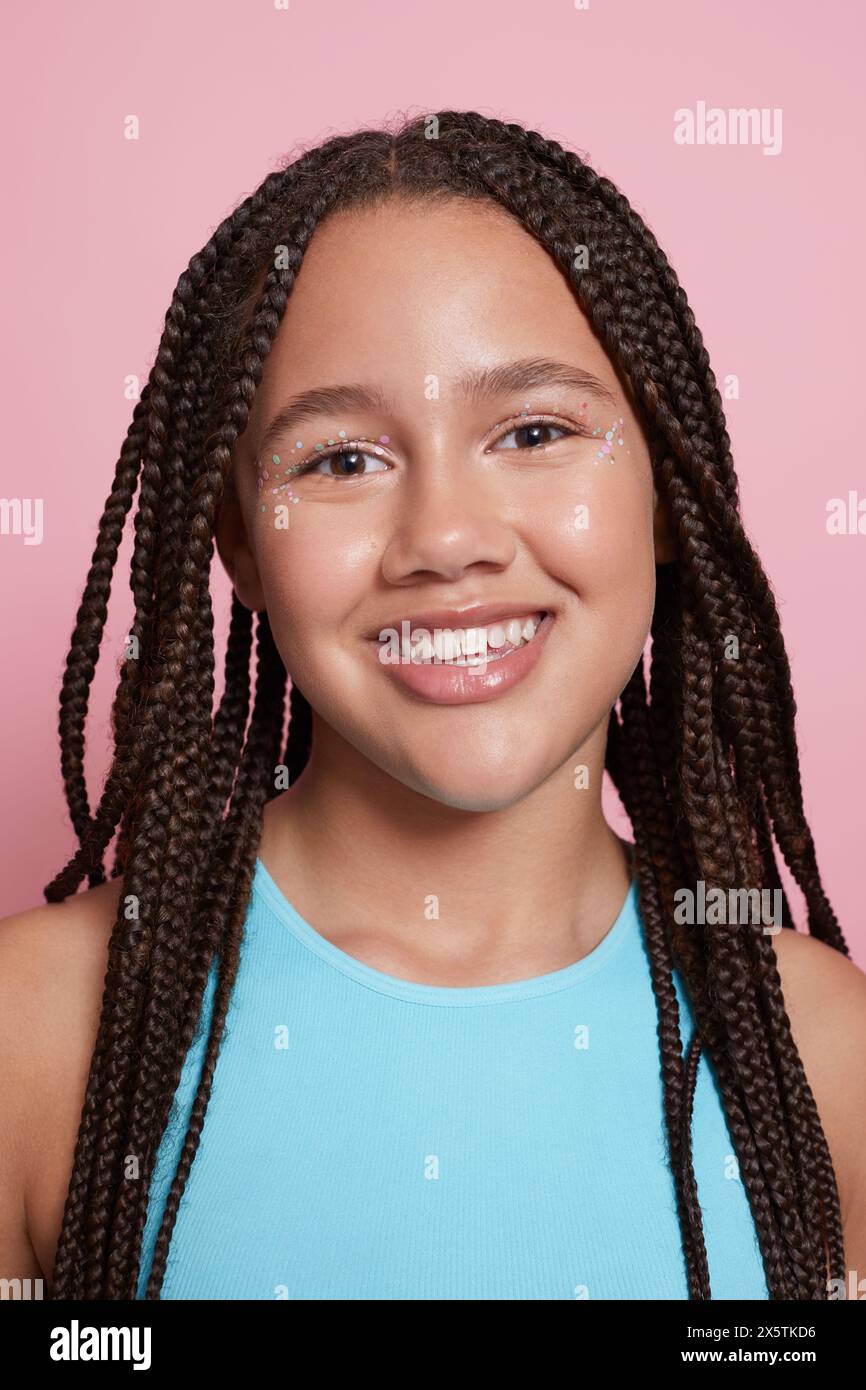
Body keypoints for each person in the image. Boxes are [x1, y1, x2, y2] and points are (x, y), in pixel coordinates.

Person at [1, 110, 864, 1302]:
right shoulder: (36, 1038)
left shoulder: (825, 1057)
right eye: (340, 461)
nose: (447, 541)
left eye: (534, 431)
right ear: (241, 547)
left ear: (668, 494)